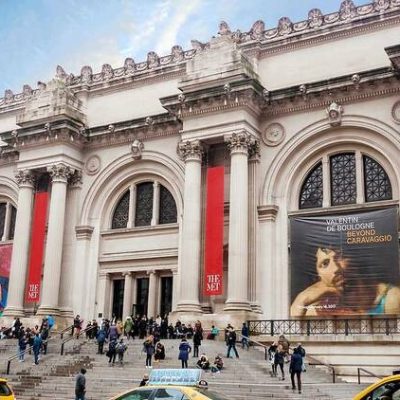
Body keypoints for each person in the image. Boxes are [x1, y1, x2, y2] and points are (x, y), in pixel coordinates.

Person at [291, 246, 400, 317]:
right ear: (319, 276)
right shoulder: (317, 309)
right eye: (325, 263)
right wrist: (300, 301)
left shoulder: (391, 298)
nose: (336, 269)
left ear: (353, 257)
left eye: (340, 256)